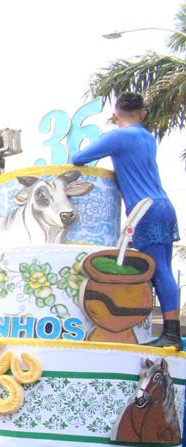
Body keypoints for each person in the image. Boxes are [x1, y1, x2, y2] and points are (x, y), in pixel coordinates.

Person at [72, 92, 182, 349]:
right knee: (164, 267)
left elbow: (79, 159)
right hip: (163, 205)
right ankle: (171, 331)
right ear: (143, 114)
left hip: (144, 209)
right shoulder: (147, 137)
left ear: (114, 115)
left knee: (158, 269)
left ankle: (172, 335)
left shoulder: (118, 136)